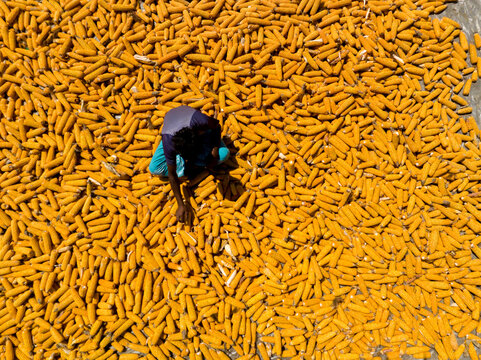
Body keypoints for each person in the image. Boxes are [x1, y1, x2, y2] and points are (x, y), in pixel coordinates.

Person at [149, 105, 230, 222]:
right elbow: (172, 176)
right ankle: (196, 165)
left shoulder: (201, 122)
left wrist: (215, 150)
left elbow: (217, 126)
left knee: (224, 154)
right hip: (172, 131)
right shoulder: (169, 143)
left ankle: (195, 163)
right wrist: (181, 204)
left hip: (197, 129)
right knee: (154, 169)